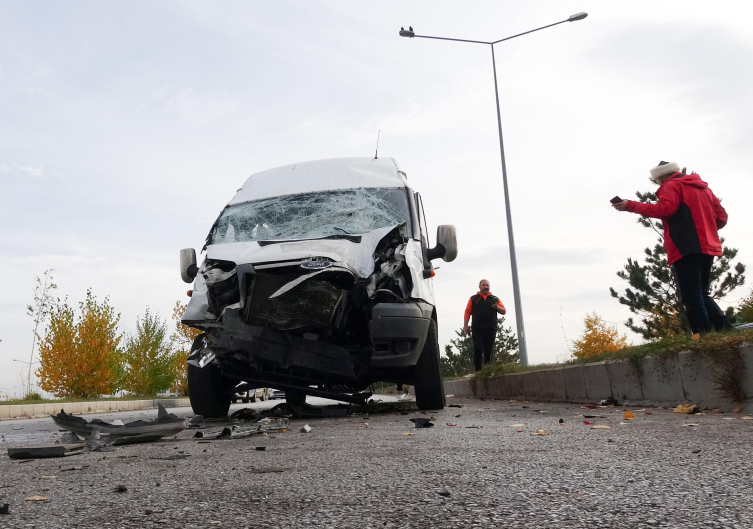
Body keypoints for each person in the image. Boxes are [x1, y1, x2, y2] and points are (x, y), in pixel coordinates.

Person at [612, 161, 729, 338]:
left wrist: (630, 205)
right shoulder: (704, 188)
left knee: (691, 296)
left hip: (684, 246)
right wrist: (706, 231)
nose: (658, 185)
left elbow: (665, 209)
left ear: (661, 177)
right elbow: (722, 217)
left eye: (656, 181)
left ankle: (703, 337)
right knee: (701, 292)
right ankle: (724, 329)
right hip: (708, 246)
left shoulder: (671, 185)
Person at [463, 279, 507, 371]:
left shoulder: (495, 299)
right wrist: (466, 325)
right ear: (479, 286)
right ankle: (478, 371)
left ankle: (488, 370)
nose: (486, 287)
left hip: (491, 328)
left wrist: (497, 307)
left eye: (487, 285)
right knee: (478, 348)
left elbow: (504, 311)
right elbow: (467, 312)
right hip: (477, 328)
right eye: (484, 285)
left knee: (489, 350)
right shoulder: (473, 298)